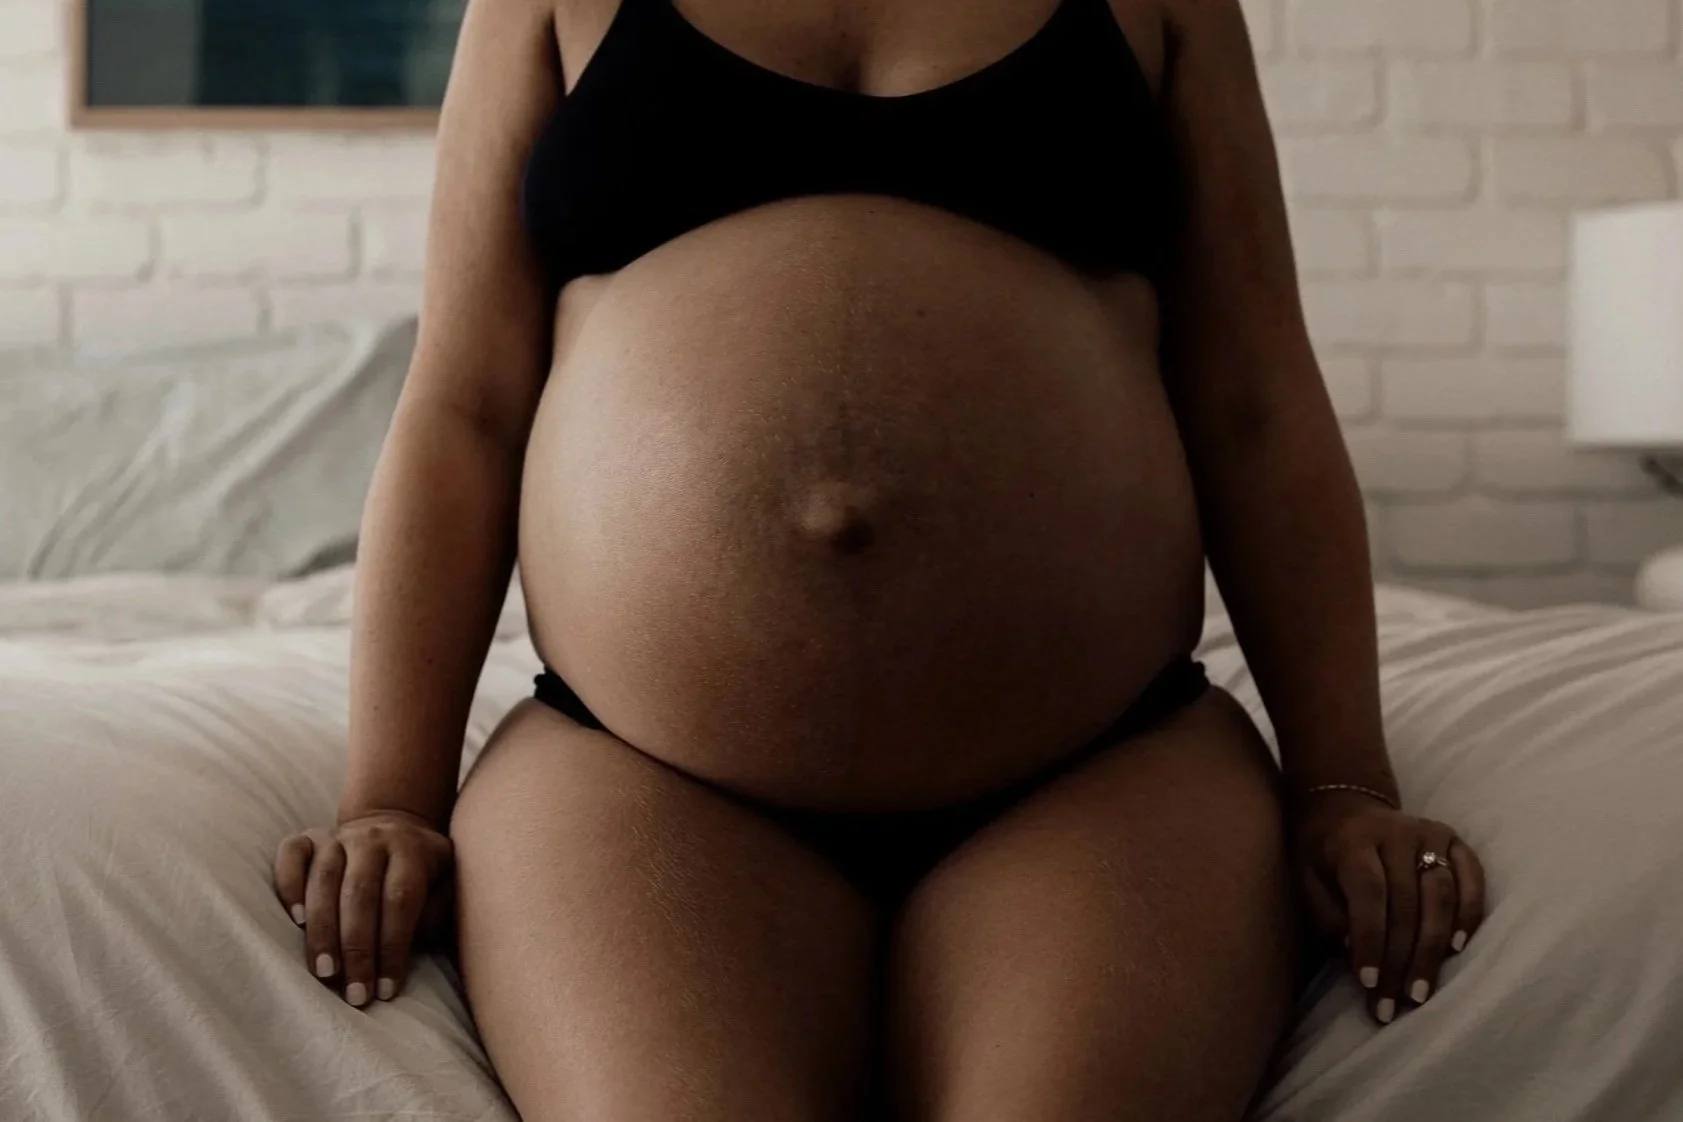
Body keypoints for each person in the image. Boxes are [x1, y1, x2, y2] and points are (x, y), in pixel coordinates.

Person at [272, 0, 1490, 1116]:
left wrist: (1343, 787)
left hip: (1101, 771)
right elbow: (467, 406)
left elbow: (1254, 405)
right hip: (642, 774)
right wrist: (390, 798)